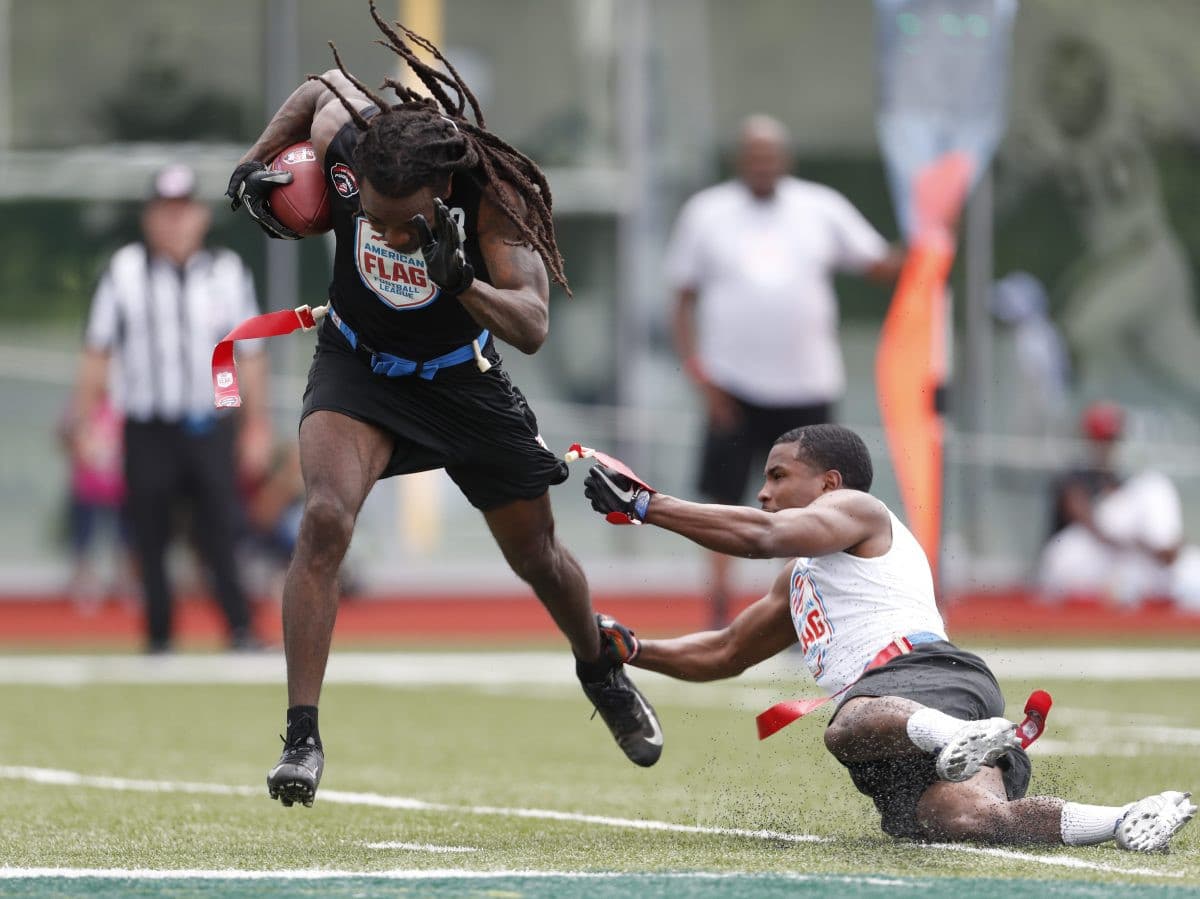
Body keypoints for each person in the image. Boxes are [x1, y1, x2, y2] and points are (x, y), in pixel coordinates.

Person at [225, 3, 661, 809]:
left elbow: (530, 324)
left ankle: (599, 667)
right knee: (324, 518)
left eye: (403, 222)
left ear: (441, 188)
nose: (385, 234)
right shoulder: (355, 140)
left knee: (539, 557)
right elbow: (321, 85)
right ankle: (301, 736)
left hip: (461, 380)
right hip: (358, 365)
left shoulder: (490, 200)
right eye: (374, 218)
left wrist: (462, 281)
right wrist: (253, 162)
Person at [581, 423, 1195, 850]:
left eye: (778, 475)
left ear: (830, 483)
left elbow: (756, 536)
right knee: (965, 820)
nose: (764, 492)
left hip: (922, 678)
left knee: (844, 726)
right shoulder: (801, 577)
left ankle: (956, 735)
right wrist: (636, 651)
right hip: (919, 705)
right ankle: (1127, 819)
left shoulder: (860, 511)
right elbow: (725, 652)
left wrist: (645, 506)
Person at [664, 114, 903, 627]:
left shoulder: (820, 207)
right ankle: (721, 610)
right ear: (739, 160)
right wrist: (699, 374)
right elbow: (681, 300)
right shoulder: (707, 213)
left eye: (771, 156)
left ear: (785, 160)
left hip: (806, 384)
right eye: (754, 156)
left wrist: (926, 249)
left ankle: (806, 609)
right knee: (725, 498)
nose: (763, 165)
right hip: (731, 384)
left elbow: (880, 264)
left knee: (813, 505)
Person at [67, 163, 271, 653]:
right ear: (149, 218)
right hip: (146, 425)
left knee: (221, 529)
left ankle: (239, 629)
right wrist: (85, 422)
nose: (175, 223)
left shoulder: (227, 273)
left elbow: (246, 354)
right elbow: (99, 352)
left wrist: (254, 425)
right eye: (165, 212)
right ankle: (159, 637)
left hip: (209, 423)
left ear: (200, 217)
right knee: (149, 533)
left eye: (183, 212)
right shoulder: (124, 272)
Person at [1039, 401, 1200, 607]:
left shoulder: (1118, 478)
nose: (1108, 446)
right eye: (1103, 439)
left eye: (1111, 439)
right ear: (1089, 439)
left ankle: (1167, 564)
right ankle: (1163, 552)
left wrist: (1160, 545)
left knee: (1188, 563)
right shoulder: (1073, 476)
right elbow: (1092, 526)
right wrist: (1144, 544)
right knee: (1153, 485)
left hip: (1110, 561)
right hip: (1067, 557)